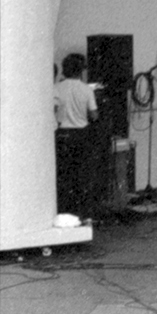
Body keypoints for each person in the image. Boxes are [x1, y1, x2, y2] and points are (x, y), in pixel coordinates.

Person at [52, 53, 102, 217]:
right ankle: (82, 213)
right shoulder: (86, 89)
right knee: (82, 175)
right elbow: (94, 115)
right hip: (82, 135)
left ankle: (64, 211)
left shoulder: (57, 88)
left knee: (63, 175)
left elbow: (52, 110)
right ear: (81, 70)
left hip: (62, 135)